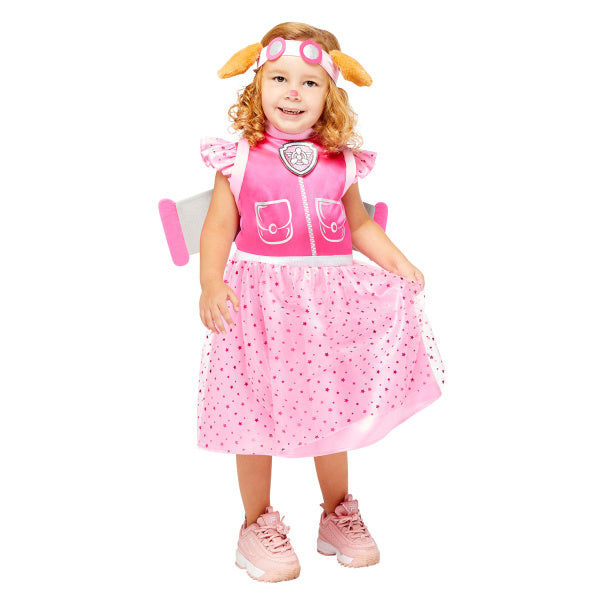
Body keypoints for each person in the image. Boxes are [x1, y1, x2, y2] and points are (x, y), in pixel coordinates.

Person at [197, 22, 445, 582]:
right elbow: (217, 227)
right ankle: (256, 524)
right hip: (259, 305)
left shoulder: (340, 161)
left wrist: (399, 262)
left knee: (331, 406)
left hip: (327, 307)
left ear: (330, 93)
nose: (293, 92)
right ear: (256, 85)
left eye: (309, 83)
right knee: (254, 411)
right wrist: (211, 283)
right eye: (279, 78)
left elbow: (358, 225)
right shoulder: (239, 159)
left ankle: (337, 515)